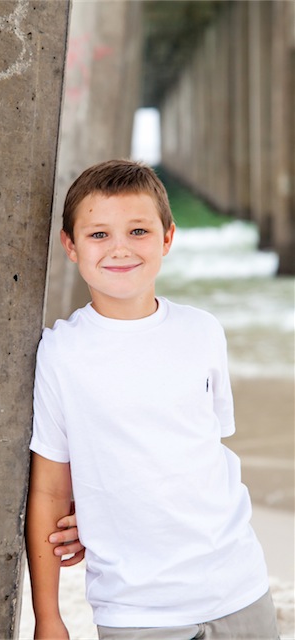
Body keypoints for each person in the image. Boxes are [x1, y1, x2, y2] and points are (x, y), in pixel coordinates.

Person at [25, 159, 279, 640]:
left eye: (138, 230)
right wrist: (49, 617)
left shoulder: (203, 331)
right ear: (70, 246)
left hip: (239, 585)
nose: (120, 248)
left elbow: (200, 452)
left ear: (167, 238)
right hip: (136, 606)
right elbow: (51, 490)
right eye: (99, 234)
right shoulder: (60, 354)